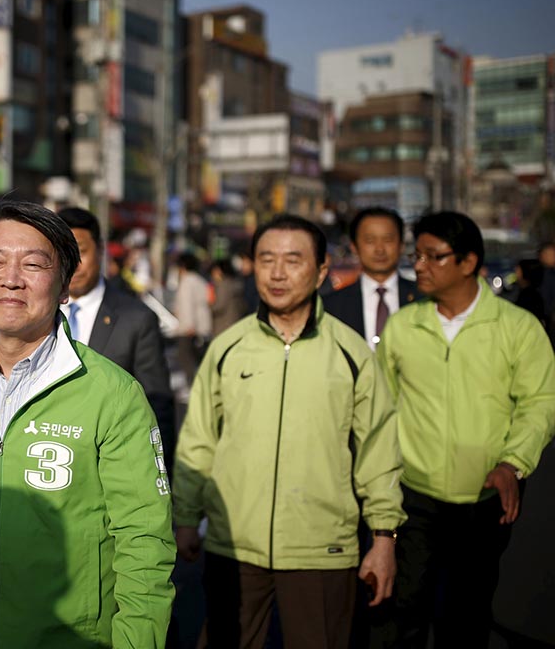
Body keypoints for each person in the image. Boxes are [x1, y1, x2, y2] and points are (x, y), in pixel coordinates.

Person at [0, 200, 175, 649]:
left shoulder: (112, 392)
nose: (11, 278)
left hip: (69, 636)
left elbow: (144, 536)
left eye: (33, 264)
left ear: (65, 287)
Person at [173, 214, 405, 649]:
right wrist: (186, 517)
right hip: (233, 546)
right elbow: (198, 441)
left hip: (323, 549)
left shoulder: (350, 353)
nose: (277, 273)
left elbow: (378, 452)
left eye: (293, 260)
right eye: (266, 259)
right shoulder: (228, 348)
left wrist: (384, 537)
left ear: (320, 272)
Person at [370, 211, 555, 649]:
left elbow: (540, 404)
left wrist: (513, 463)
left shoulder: (517, 328)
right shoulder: (402, 327)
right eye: (418, 256)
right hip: (414, 497)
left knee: (467, 614)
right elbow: (382, 411)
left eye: (435, 256)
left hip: (485, 500)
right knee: (405, 611)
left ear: (468, 262)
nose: (419, 266)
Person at [58, 206, 177, 474]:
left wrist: (160, 474)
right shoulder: (36, 314)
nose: (72, 263)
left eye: (81, 252)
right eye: (63, 253)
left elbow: (156, 403)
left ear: (100, 251)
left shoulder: (136, 318)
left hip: (111, 469)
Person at [324, 207, 418, 351]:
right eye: (370, 240)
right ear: (354, 247)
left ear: (401, 246)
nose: (379, 249)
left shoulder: (423, 299)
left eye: (388, 240)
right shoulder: (330, 306)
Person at [173, 252, 212, 390]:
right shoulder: (201, 280)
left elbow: (186, 304)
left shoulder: (186, 282)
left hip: (189, 328)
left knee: (185, 357)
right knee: (198, 359)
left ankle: (192, 387)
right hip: (203, 325)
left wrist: (189, 325)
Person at [209, 258, 247, 336]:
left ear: (219, 270)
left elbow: (219, 306)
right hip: (234, 321)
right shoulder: (234, 283)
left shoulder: (223, 285)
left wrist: (209, 306)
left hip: (223, 325)